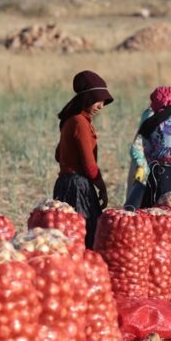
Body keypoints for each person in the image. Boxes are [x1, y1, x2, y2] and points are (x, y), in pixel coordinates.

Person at [53, 70, 113, 249]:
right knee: (85, 237)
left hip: (64, 184)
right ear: (86, 98)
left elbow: (58, 155)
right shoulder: (80, 123)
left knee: (67, 236)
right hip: (78, 186)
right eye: (98, 100)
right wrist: (101, 188)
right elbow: (89, 165)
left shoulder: (71, 120)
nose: (101, 106)